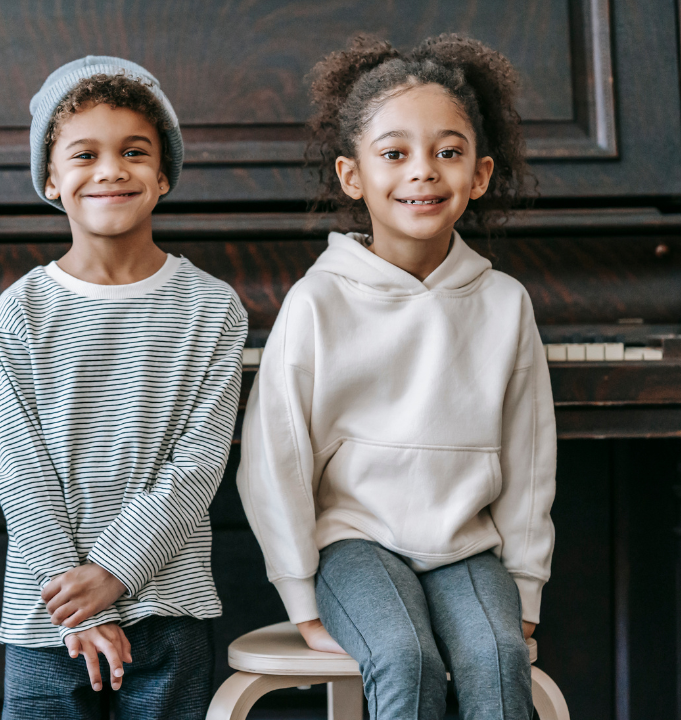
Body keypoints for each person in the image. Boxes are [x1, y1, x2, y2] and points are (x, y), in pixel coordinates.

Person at [238, 35, 556, 720]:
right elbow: (275, 460)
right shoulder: (317, 302)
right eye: (395, 154)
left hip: (465, 547)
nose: (424, 171)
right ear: (353, 176)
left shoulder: (504, 303)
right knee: (404, 658)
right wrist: (299, 591)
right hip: (353, 545)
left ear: (481, 174)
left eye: (448, 151)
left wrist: (525, 591)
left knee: (498, 659)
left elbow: (531, 465)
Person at [0, 56, 247, 720]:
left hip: (168, 605)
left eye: (134, 152)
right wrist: (74, 601)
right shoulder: (20, 311)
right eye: (85, 154)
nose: (110, 170)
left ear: (162, 175)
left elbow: (197, 465)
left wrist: (115, 574)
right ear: (51, 178)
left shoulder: (212, 308)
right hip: (48, 612)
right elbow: (19, 467)